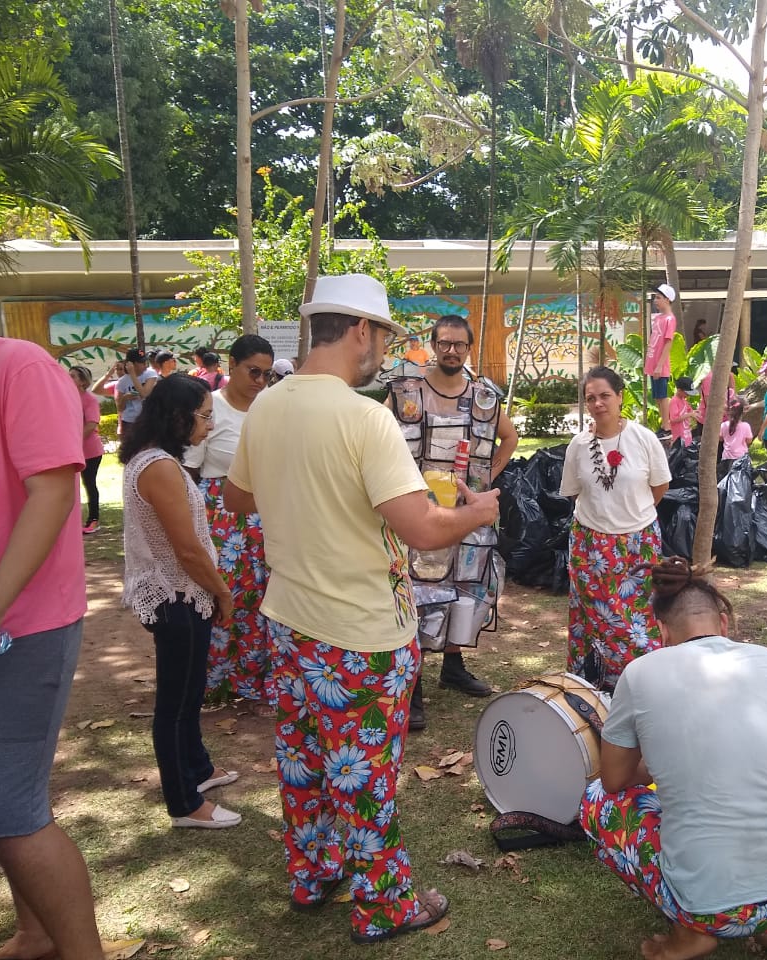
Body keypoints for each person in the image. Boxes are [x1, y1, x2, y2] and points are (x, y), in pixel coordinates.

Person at [222, 274, 498, 942]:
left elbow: (236, 499)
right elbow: (423, 529)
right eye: (382, 335)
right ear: (360, 330)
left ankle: (313, 874)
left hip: (288, 622)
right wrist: (479, 512)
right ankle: (385, 904)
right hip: (360, 631)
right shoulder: (364, 416)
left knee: (304, 761)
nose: (382, 350)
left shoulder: (268, 405)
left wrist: (305, 496)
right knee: (364, 774)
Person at [0, 292, 103, 960]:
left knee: (7, 811)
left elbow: (54, 492)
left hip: (17, 628)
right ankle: (36, 934)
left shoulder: (18, 367)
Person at [580, 558, 767, 960]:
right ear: (724, 623)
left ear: (662, 631)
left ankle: (690, 934)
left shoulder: (640, 672)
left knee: (598, 799)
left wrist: (662, 767)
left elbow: (614, 779)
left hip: (707, 908)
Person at [386, 314, 519, 730]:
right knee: (419, 590)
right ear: (434, 344)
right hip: (419, 512)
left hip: (467, 513)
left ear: (468, 348)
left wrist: (485, 478)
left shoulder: (483, 396)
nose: (451, 351)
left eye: (459, 345)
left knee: (463, 586)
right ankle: (413, 684)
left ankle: (453, 665)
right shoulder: (407, 392)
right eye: (444, 343)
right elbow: (379, 437)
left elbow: (510, 437)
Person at [120, 375, 242, 830]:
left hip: (183, 592)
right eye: (204, 416)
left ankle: (197, 769)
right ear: (178, 417)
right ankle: (183, 802)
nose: (209, 425)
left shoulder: (160, 460)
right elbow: (187, 549)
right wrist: (222, 591)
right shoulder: (159, 467)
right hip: (174, 595)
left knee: (191, 692)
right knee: (174, 703)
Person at [560, 366, 671, 689]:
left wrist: (630, 517)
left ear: (620, 396)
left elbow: (659, 486)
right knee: (595, 618)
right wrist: (604, 519)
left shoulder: (643, 438)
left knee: (639, 618)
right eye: (590, 398)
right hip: (590, 546)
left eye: (605, 395)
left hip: (639, 543)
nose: (598, 403)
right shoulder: (578, 446)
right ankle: (595, 685)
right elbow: (574, 493)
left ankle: (642, 681)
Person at [183, 335, 276, 711]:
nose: (260, 381)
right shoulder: (210, 408)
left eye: (267, 374)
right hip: (220, 516)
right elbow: (189, 470)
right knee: (222, 594)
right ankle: (214, 681)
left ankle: (256, 678)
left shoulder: (270, 409)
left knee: (263, 596)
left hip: (266, 513)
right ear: (231, 365)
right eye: (253, 371)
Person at [68, 365, 105, 535]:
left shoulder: (89, 400)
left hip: (90, 450)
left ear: (83, 381)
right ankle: (72, 521)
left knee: (89, 483)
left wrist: (74, 441)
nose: (69, 378)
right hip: (72, 449)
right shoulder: (68, 397)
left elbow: (91, 424)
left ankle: (93, 520)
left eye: (73, 376)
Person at [645, 284, 678, 436]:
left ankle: (667, 426)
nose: (655, 301)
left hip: (660, 364)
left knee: (663, 396)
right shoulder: (658, 318)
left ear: (667, 299)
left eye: (658, 298)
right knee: (657, 396)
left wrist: (659, 365)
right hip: (652, 361)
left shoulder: (670, 319)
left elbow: (668, 343)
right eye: (655, 298)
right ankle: (663, 424)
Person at [116, 347, 161, 438]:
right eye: (141, 363)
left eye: (145, 362)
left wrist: (132, 375)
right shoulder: (122, 381)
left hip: (148, 419)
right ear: (131, 364)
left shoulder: (150, 373)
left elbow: (144, 394)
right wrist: (125, 398)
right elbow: (120, 408)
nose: (145, 365)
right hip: (130, 422)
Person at [668, 376, 696, 449]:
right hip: (679, 438)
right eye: (686, 393)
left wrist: (694, 413)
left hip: (686, 435)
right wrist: (689, 414)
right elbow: (673, 419)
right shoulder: (674, 401)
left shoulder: (684, 400)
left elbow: (689, 410)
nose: (688, 395)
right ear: (679, 390)